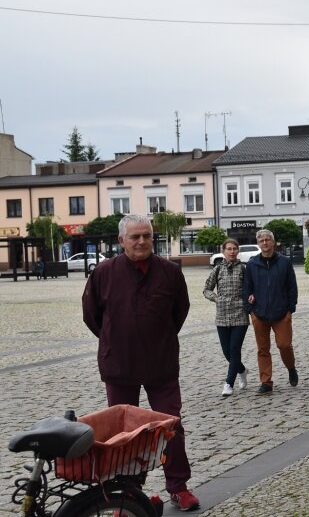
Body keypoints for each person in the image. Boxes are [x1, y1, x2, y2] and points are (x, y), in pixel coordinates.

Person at [82, 214, 199, 511]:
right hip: (119, 366)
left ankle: (178, 486)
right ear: (121, 241)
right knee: (125, 437)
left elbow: (179, 313)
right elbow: (92, 316)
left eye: (146, 236)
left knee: (170, 427)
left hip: (161, 363)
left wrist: (154, 336)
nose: (142, 241)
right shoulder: (104, 273)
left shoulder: (170, 273)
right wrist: (115, 338)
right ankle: (128, 495)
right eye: (135, 237)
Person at [243, 229, 299, 395]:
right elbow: (247, 288)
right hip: (259, 313)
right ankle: (266, 382)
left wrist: (290, 308)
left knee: (284, 345)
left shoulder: (284, 262)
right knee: (263, 349)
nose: (265, 243)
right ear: (258, 244)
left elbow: (292, 287)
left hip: (281, 313)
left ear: (273, 243)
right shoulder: (252, 264)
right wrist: (250, 310)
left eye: (268, 240)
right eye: (261, 241)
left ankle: (291, 367)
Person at [203, 238, 250, 397]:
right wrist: (215, 298)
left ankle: (228, 383)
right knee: (227, 352)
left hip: (240, 314)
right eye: (228, 249)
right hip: (222, 314)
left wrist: (250, 298)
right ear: (223, 251)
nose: (231, 251)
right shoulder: (217, 269)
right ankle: (242, 371)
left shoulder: (244, 269)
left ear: (238, 251)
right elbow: (206, 289)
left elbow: (252, 288)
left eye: (234, 249)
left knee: (234, 349)